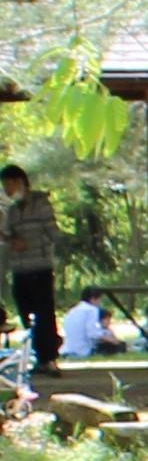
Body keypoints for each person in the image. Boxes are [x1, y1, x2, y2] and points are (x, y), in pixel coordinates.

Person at [4, 162, 57, 387]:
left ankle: (49, 358)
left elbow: (52, 231)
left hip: (40, 266)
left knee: (44, 313)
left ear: (20, 182)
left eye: (9, 184)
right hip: (20, 269)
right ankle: (40, 353)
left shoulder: (41, 204)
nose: (7, 189)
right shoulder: (11, 210)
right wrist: (10, 240)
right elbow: (7, 234)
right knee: (26, 312)